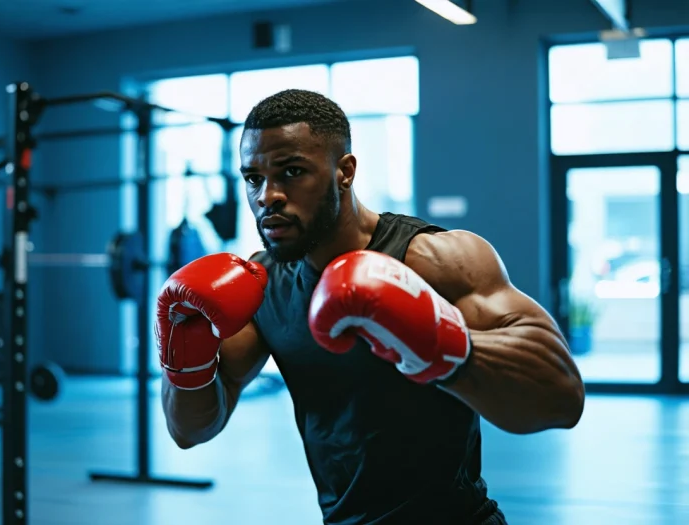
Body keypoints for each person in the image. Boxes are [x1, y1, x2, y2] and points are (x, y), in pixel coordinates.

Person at [155, 89, 585, 525]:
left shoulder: (435, 260)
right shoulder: (261, 285)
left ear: (345, 171)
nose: (268, 196)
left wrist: (439, 341)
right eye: (253, 179)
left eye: (291, 172)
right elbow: (189, 430)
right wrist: (184, 362)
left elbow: (560, 397)